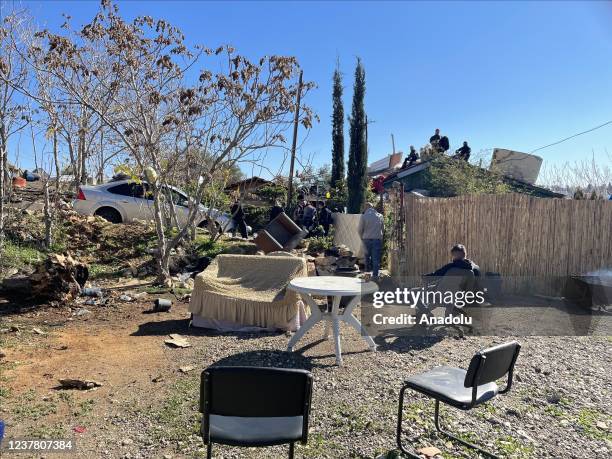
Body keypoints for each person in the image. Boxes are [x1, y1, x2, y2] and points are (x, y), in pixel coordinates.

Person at [358, 202, 384, 278]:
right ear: (373, 208)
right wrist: (380, 238)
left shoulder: (364, 216)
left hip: (366, 240)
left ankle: (367, 275)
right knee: (375, 259)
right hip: (376, 240)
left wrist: (361, 238)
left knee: (367, 259)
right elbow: (382, 229)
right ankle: (375, 276)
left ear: (366, 208)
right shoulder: (380, 216)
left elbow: (359, 230)